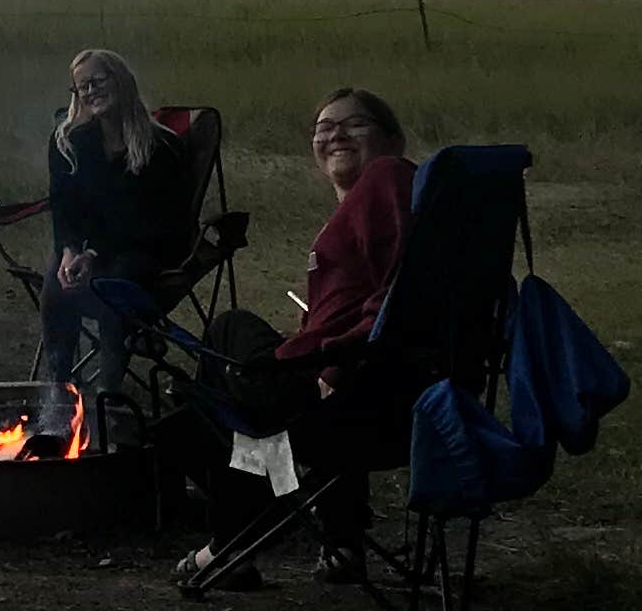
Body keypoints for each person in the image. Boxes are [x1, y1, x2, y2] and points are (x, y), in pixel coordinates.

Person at [191, 86, 412, 581]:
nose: (335, 133)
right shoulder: (363, 204)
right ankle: (339, 540)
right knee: (252, 417)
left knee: (229, 337)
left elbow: (410, 280)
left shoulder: (388, 177)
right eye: (323, 127)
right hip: (360, 391)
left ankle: (230, 542)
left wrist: (339, 361)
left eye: (353, 124)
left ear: (394, 141)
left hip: (352, 385)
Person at [36, 49, 199, 421]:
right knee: (54, 282)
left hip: (149, 249)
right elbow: (64, 208)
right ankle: (57, 394)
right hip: (91, 250)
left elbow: (156, 222)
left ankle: (107, 397)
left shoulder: (161, 147)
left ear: (121, 80)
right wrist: (69, 250)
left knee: (116, 283)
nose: (91, 91)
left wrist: (93, 255)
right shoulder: (69, 143)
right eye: (82, 87)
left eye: (98, 81)